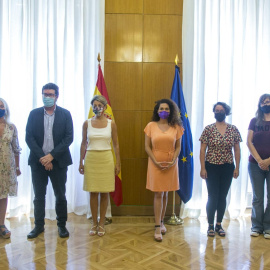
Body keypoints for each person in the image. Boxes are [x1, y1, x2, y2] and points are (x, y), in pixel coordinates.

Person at [26, 83, 73, 239]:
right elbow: (29, 138)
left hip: (59, 162)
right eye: (45, 94)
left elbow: (68, 138)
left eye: (51, 95)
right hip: (38, 162)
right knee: (39, 196)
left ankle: (62, 226)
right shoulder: (34, 114)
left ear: (57, 96)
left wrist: (52, 156)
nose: (47, 97)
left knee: (60, 195)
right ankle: (38, 226)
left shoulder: (65, 114)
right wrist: (44, 158)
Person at [79, 95, 120, 237]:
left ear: (105, 107)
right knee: (93, 192)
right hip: (91, 159)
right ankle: (94, 223)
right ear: (92, 107)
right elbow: (83, 143)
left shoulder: (111, 124)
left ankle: (101, 223)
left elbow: (115, 144)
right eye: (94, 105)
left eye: (99, 105)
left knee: (104, 192)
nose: (97, 108)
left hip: (106, 159)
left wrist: (118, 162)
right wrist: (80, 161)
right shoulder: (87, 123)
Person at [200, 102, 241, 237]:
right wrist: (203, 168)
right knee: (212, 196)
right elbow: (202, 149)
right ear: (214, 113)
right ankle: (210, 225)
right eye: (216, 110)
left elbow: (237, 149)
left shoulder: (233, 129)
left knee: (222, 196)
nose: (219, 112)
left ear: (226, 112)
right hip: (211, 166)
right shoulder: (208, 129)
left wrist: (237, 167)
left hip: (227, 167)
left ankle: (219, 224)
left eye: (221, 110)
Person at [144, 98, 184, 242]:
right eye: (161, 109)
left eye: (167, 109)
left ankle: (161, 221)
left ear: (171, 111)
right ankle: (156, 226)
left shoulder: (176, 127)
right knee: (158, 194)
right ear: (157, 110)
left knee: (166, 193)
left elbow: (178, 146)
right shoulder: (151, 126)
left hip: (171, 163)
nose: (164, 111)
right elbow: (147, 147)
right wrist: (155, 161)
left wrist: (173, 160)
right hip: (155, 163)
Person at [247, 94, 270, 239]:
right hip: (255, 165)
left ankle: (268, 226)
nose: (266, 103)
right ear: (260, 105)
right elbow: (249, 142)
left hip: (268, 162)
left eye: (269, 101)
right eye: (264, 102)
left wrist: (268, 161)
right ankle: (257, 226)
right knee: (257, 197)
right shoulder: (254, 121)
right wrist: (260, 160)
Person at [0, 98, 21, 239]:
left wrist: (18, 167)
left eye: (2, 106)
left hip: (7, 167)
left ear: (6, 109)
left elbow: (16, 149)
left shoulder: (11, 127)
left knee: (3, 196)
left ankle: (1, 224)